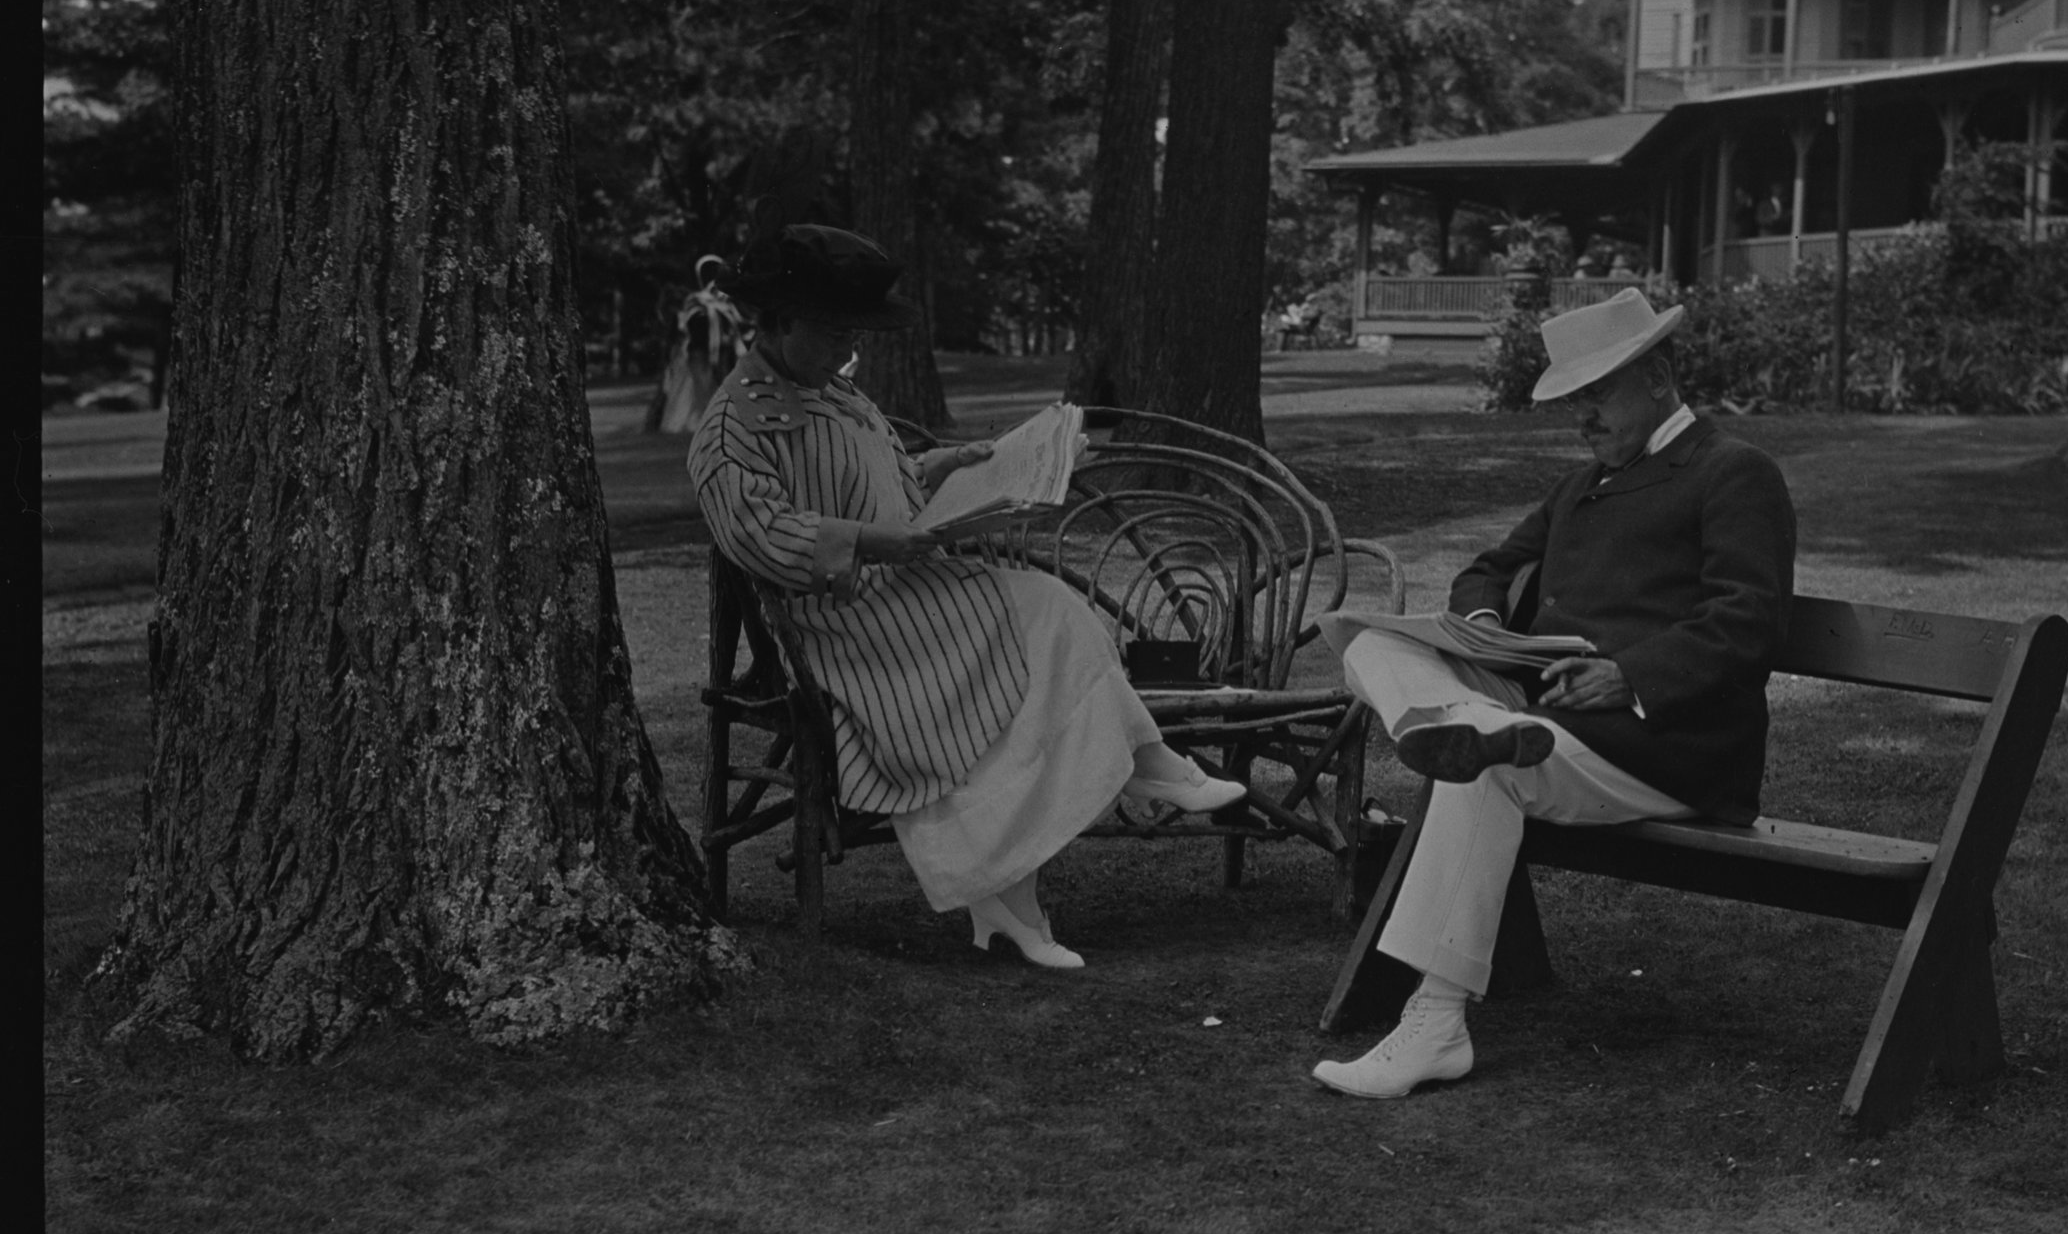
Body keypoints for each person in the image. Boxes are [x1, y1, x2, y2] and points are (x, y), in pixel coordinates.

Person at [688, 226, 1246, 969]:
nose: (846, 348)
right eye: (834, 332)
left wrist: (946, 467)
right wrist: (882, 543)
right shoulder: (733, 430)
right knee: (1032, 621)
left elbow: (876, 482)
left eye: (853, 333)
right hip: (844, 625)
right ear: (780, 322)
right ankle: (1117, 792)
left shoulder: (830, 388)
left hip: (905, 592)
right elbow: (764, 535)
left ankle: (1057, 849)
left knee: (1044, 611)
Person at [1311, 288, 1795, 1097]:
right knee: (1370, 638)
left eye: (1596, 394)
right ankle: (1477, 718)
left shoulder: (1732, 471)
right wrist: (1478, 626)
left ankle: (1434, 1025)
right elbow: (1490, 569)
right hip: (1551, 718)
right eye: (1575, 400)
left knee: (1486, 764)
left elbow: (1750, 620)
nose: (1583, 417)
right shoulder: (1581, 486)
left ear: (1661, 379)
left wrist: (1630, 674)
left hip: (1664, 745)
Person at [650, 255, 747, 435]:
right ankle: (708, 421)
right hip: (699, 352)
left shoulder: (724, 305)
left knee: (717, 387)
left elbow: (736, 326)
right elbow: (686, 328)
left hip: (722, 353)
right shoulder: (697, 303)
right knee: (702, 389)